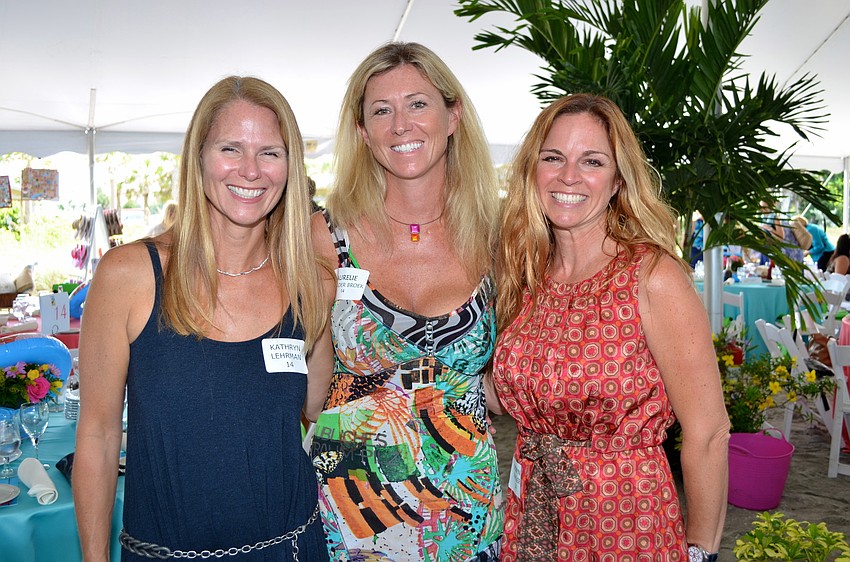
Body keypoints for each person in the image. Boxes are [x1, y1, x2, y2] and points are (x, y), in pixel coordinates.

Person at [73, 76, 333, 561]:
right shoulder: (130, 275)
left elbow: (314, 405)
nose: (250, 170)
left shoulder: (310, 282)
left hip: (291, 547)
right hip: (164, 551)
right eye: (230, 148)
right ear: (198, 157)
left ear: (291, 166)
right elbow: (99, 434)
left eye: (270, 153)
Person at [492, 94, 729, 561]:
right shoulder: (525, 276)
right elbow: (502, 396)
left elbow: (709, 431)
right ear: (532, 169)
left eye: (592, 161)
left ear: (618, 179)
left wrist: (702, 551)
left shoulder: (651, 276)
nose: (569, 176)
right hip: (535, 513)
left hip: (624, 522)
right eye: (553, 157)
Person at [308, 42, 503, 561]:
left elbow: (514, 375)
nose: (400, 125)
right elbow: (305, 383)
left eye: (417, 104)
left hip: (466, 511)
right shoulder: (325, 237)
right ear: (362, 132)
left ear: (452, 116)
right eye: (381, 111)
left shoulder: (498, 238)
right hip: (356, 514)